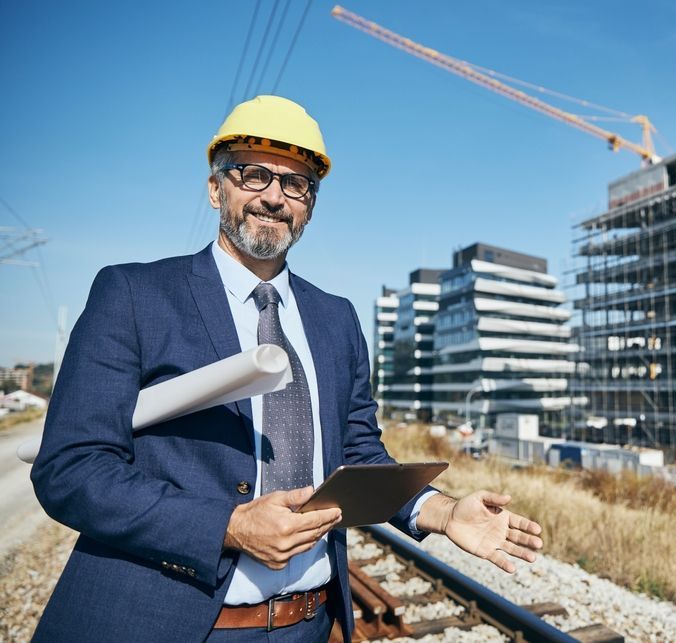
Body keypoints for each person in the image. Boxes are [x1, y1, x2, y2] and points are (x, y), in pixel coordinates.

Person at [30, 95, 543, 642]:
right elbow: (72, 467)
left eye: (296, 184)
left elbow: (358, 454)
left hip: (308, 624)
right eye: (253, 175)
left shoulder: (336, 318)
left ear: (310, 205)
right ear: (215, 188)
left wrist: (439, 512)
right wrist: (228, 526)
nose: (274, 197)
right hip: (168, 623)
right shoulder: (134, 295)